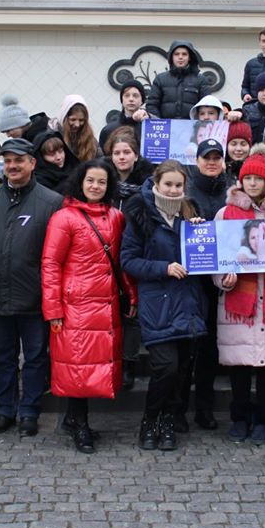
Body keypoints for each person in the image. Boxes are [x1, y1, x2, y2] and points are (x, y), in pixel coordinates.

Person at [41, 159, 138, 453]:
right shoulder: (64, 218)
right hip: (76, 305)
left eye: (102, 182)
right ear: (80, 182)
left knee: (88, 363)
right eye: (90, 181)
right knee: (78, 365)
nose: (95, 186)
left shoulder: (116, 217)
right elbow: (51, 264)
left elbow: (121, 260)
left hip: (106, 302)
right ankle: (79, 422)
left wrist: (130, 293)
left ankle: (74, 418)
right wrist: (53, 309)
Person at [0, 137, 63, 437]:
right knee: (3, 358)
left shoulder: (51, 202)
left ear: (32, 163)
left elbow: (56, 255)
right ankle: (4, 411)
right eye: (7, 160)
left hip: (34, 297)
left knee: (35, 358)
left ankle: (29, 411)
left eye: (18, 160)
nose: (12, 166)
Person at [212, 144, 265, 445]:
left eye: (257, 179)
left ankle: (264, 420)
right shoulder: (225, 213)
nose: (251, 183)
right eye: (247, 178)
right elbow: (216, 258)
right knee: (239, 366)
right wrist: (224, 280)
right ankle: (239, 418)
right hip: (239, 301)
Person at [121, 160, 207, 451]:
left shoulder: (190, 212)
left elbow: (205, 258)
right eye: (168, 184)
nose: (173, 190)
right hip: (158, 303)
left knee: (181, 370)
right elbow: (128, 260)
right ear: (156, 183)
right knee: (165, 367)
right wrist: (163, 268)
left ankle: (168, 421)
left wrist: (200, 234)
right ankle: (150, 420)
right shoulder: (141, 213)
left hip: (188, 302)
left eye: (178, 185)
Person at [181, 138, 231, 432]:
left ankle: (204, 407)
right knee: (189, 344)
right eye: (206, 158)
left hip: (223, 280)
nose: (212, 162)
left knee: (211, 346)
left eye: (216, 158)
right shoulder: (186, 191)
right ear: (197, 161)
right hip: (192, 279)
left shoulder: (232, 190)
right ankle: (179, 409)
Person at [105, 127, 154, 389]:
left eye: (127, 152)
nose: (122, 157)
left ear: (136, 155)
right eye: (117, 153)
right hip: (106, 253)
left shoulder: (148, 184)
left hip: (135, 252)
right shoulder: (103, 181)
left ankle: (129, 364)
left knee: (132, 312)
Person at [145, 41, 210, 120]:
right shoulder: (160, 79)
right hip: (165, 126)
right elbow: (152, 105)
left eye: (184, 54)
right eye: (176, 54)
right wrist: (159, 122)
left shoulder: (201, 80)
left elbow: (207, 106)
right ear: (171, 57)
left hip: (192, 126)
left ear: (190, 57)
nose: (180, 57)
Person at [99, 80, 149, 151]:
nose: (131, 99)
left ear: (142, 100)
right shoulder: (108, 130)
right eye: (127, 95)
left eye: (135, 96)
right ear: (122, 100)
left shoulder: (149, 129)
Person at [32, 129, 79, 195]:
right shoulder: (38, 182)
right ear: (41, 157)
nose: (58, 157)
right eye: (51, 154)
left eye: (61, 151)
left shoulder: (76, 169)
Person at [55, 95, 100, 162]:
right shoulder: (53, 133)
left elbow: (100, 158)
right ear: (64, 117)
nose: (77, 124)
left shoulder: (90, 138)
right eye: (73, 119)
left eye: (81, 120)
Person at [225, 121, 253, 186]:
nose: (238, 149)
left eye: (243, 144)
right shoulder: (218, 171)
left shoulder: (256, 170)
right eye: (233, 144)